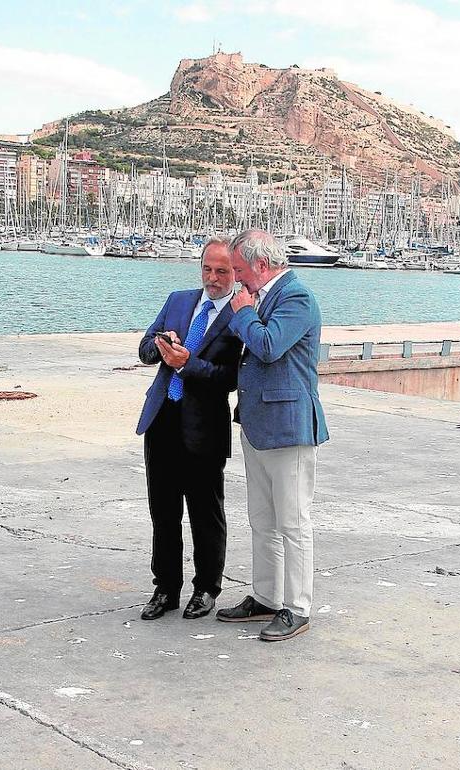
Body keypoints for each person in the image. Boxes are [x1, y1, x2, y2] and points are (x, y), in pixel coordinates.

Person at [216, 229, 328, 642]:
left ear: (262, 266)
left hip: (289, 427)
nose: (236, 279)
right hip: (258, 424)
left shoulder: (297, 298)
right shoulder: (260, 294)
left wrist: (243, 311)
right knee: (261, 519)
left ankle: (297, 607)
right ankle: (265, 596)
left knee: (293, 521)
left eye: (240, 270)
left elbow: (267, 346)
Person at [135, 237, 243, 621]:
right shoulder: (178, 300)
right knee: (162, 511)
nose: (213, 279)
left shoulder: (240, 314)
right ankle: (165, 588)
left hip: (205, 429)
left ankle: (206, 588)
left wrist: (186, 364)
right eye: (208, 269)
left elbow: (231, 378)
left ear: (236, 272)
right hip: (162, 420)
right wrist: (161, 346)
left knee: (205, 512)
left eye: (223, 271)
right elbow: (145, 346)